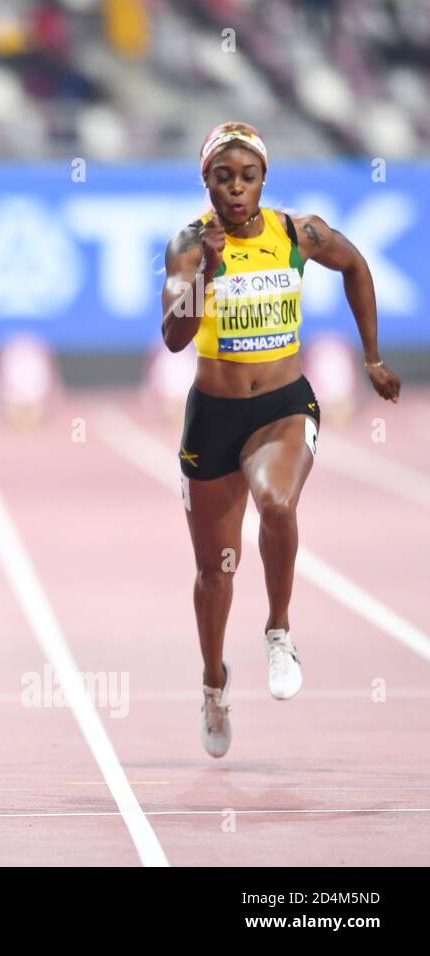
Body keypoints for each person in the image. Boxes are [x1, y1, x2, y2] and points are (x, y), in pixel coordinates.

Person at [160, 123, 401, 758]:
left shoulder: (297, 234)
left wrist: (372, 358)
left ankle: (278, 629)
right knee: (214, 570)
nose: (235, 190)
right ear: (205, 181)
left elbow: (356, 265)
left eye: (247, 177)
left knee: (276, 503)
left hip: (282, 407)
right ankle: (213, 682)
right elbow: (173, 337)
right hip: (212, 416)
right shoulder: (187, 243)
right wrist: (209, 274)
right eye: (222, 177)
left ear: (264, 180)